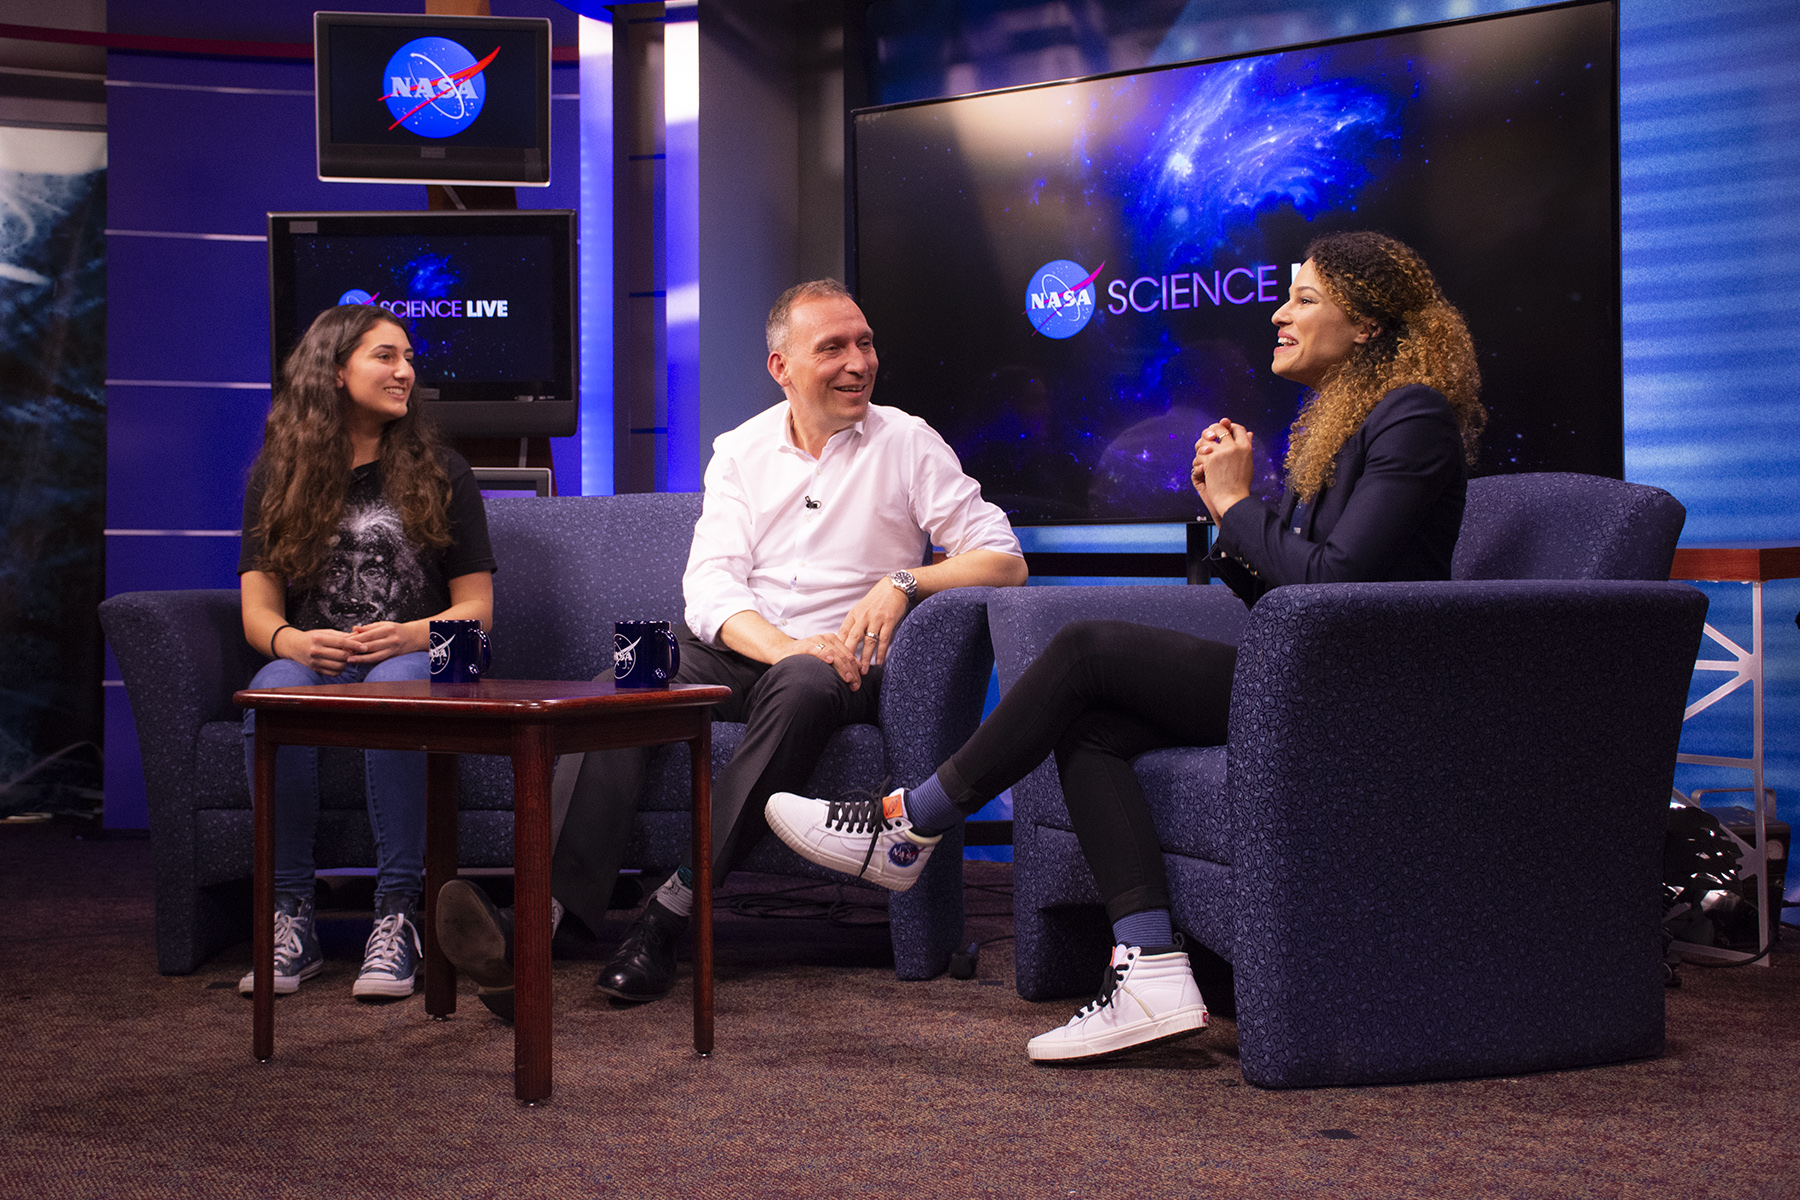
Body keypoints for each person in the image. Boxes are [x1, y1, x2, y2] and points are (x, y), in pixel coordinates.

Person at [767, 231, 1485, 1062]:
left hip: (1361, 690)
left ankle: (905, 826)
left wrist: (1239, 504)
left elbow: (1341, 584)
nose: (1281, 314)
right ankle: (1150, 967)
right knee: (1092, 719)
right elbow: (1295, 592)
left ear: (1365, 325)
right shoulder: (1351, 424)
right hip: (1314, 669)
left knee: (1083, 652)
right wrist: (1230, 517)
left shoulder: (1412, 416)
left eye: (1306, 299)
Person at [433, 279, 1027, 1016]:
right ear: (781, 367)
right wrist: (779, 645)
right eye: (833, 347)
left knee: (806, 682)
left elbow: (1004, 558)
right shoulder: (741, 450)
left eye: (865, 343)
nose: (858, 363)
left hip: (839, 663)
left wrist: (903, 582)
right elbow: (709, 588)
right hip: (748, 642)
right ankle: (537, 929)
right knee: (629, 667)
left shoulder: (906, 442)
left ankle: (668, 916)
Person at [236, 304, 496, 1001]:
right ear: (335, 368)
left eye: (408, 357)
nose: (405, 371)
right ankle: (290, 917)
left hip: (433, 655)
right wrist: (293, 639)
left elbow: (478, 614)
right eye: (386, 356)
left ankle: (397, 915)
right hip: (323, 658)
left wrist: (410, 635)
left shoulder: (444, 470)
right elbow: (258, 613)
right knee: (273, 689)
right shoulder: (278, 474)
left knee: (395, 684)